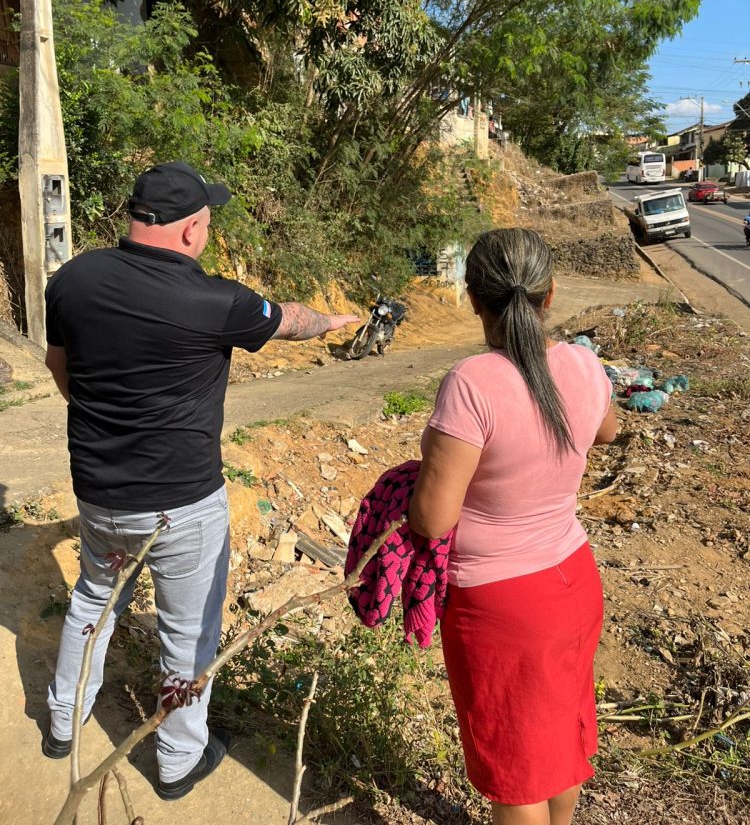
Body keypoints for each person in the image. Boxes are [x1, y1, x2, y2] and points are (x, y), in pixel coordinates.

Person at [42, 161, 358, 800]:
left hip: (100, 495)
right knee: (187, 635)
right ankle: (177, 760)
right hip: (182, 507)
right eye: (207, 223)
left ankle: (61, 724)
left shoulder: (71, 281)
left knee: (91, 605)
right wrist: (333, 322)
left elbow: (59, 365)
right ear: (190, 232)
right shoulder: (217, 302)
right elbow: (290, 319)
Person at [408, 228, 617, 825]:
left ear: (474, 299)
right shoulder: (581, 362)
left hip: (501, 603)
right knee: (559, 739)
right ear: (550, 296)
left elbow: (431, 518)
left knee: (515, 768)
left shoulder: (472, 384)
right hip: (573, 580)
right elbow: (605, 430)